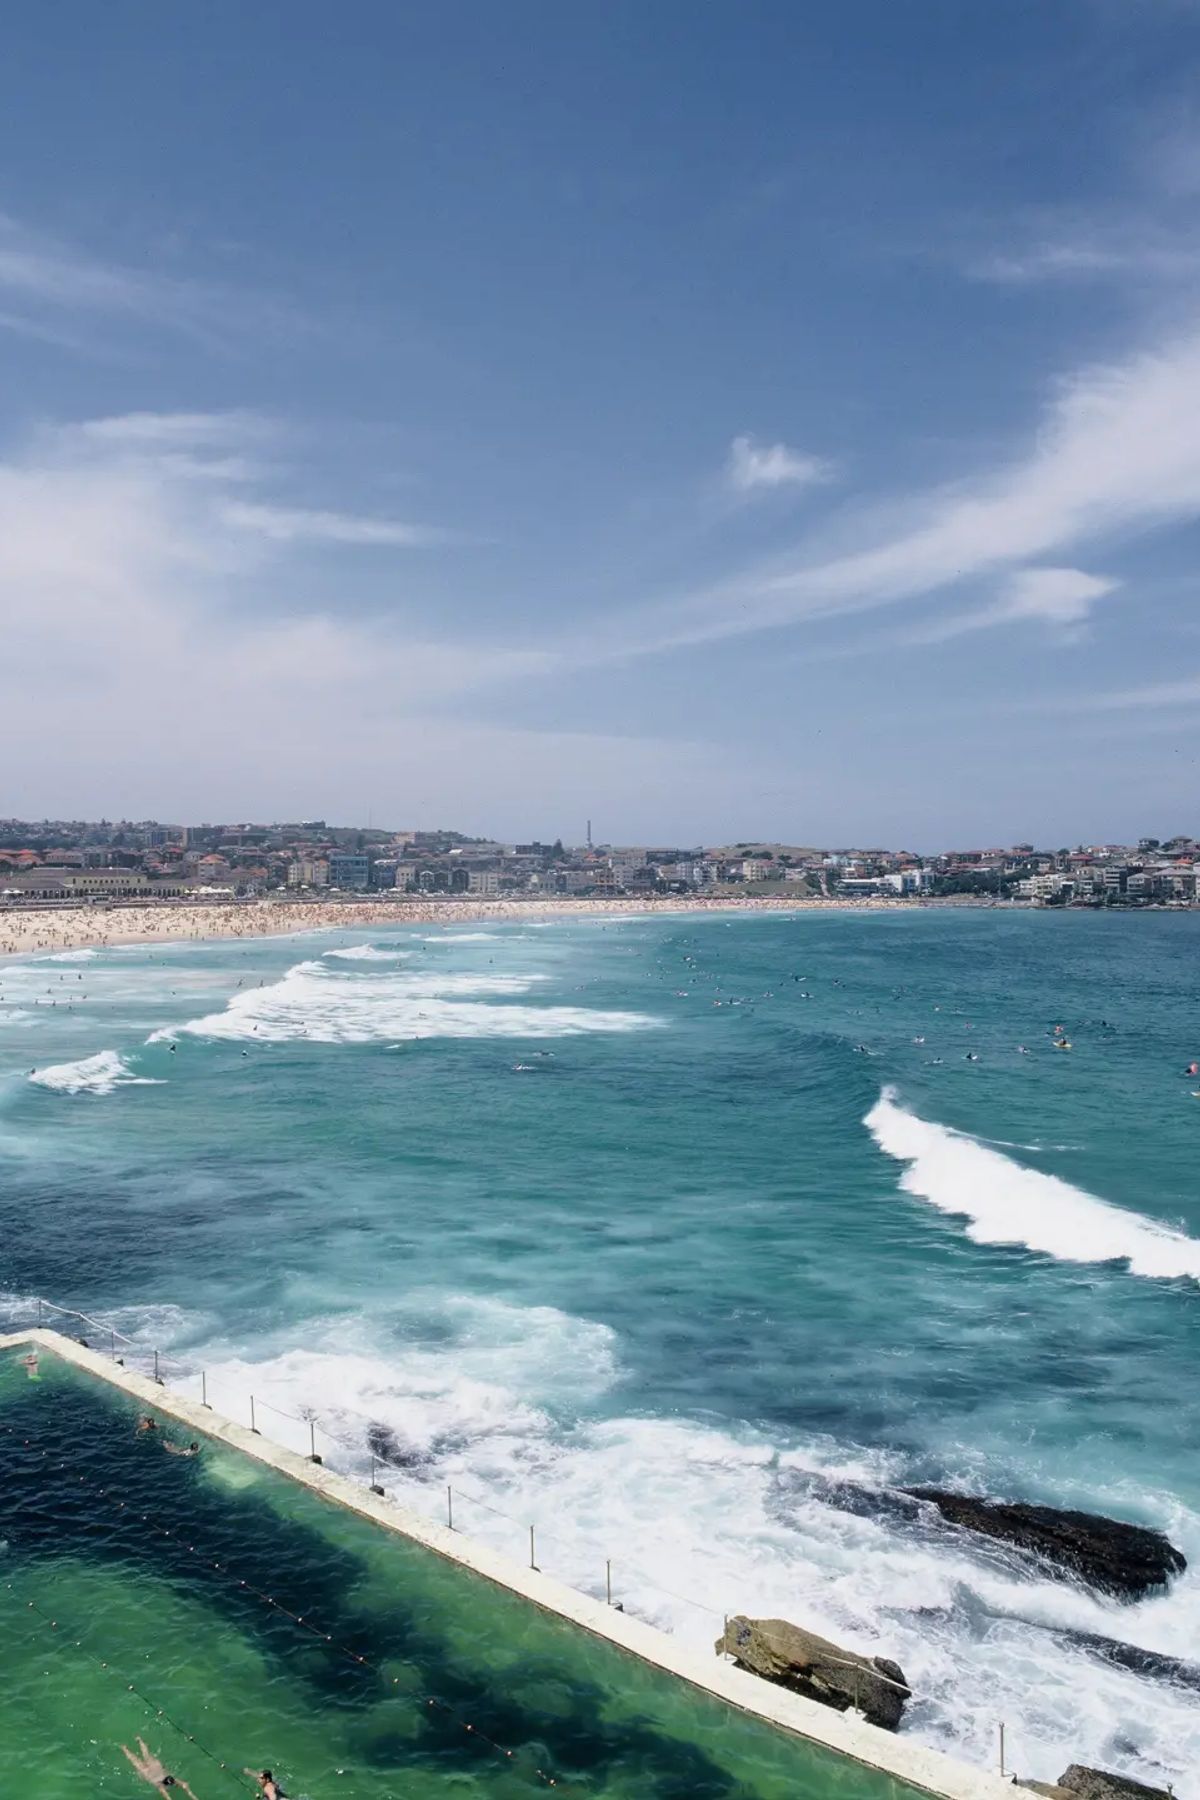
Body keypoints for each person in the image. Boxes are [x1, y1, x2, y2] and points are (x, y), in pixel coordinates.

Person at [120, 1738, 198, 1796]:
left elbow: (184, 1785)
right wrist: (191, 1794)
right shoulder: (161, 1786)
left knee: (146, 1755)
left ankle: (139, 1740)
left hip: (155, 1767)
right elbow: (168, 1796)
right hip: (147, 1772)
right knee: (135, 1761)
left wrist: (192, 1795)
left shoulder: (168, 1778)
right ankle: (125, 1749)